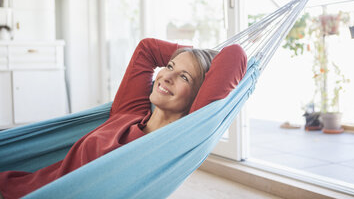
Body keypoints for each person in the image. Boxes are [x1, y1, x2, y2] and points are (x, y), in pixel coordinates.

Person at [0, 38, 247, 199]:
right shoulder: (130, 111)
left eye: (184, 78)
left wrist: (203, 61)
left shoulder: (178, 142)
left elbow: (235, 55)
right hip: (23, 186)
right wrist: (189, 56)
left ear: (199, 95)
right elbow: (147, 49)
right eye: (170, 66)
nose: (166, 77)